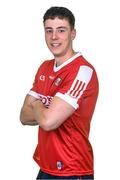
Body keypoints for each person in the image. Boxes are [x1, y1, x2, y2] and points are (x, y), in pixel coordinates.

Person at [20, 6, 99, 180]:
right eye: (49, 31)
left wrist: (38, 103)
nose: (54, 37)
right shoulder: (45, 67)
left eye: (61, 30)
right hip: (45, 166)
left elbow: (48, 122)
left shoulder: (82, 71)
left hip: (72, 169)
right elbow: (24, 116)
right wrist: (48, 110)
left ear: (73, 34)